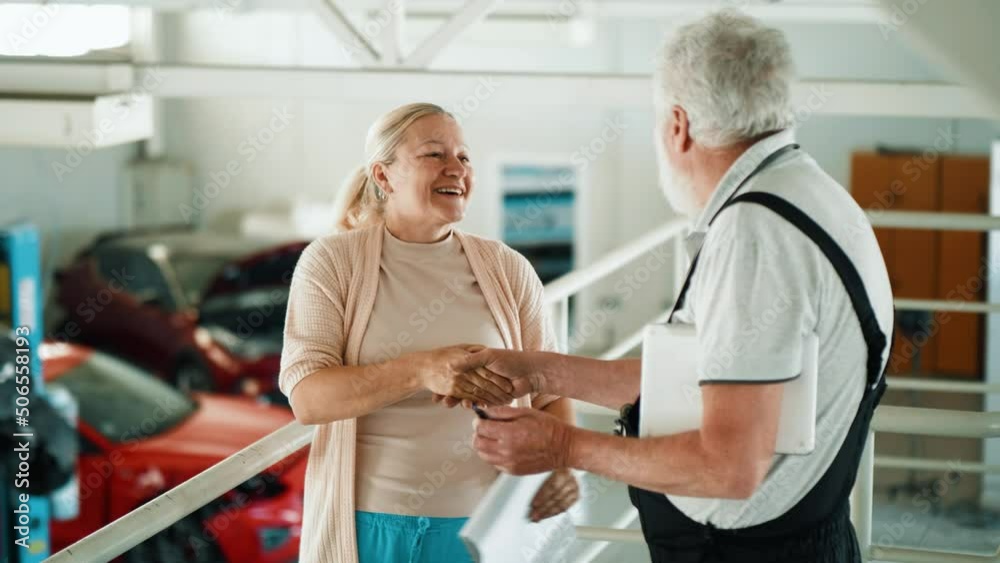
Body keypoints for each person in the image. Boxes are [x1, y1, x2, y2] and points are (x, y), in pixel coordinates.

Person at [452, 10, 894, 563]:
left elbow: (729, 466)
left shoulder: (755, 233)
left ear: (678, 125)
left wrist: (562, 444)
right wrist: (535, 369)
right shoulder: (805, 191)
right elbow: (713, 380)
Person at [278, 102, 578, 563]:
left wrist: (560, 462)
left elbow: (550, 387)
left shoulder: (507, 268)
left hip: (483, 524)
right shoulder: (330, 263)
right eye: (434, 154)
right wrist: (423, 370)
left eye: (464, 156)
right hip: (370, 526)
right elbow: (308, 397)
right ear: (383, 176)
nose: (456, 168)